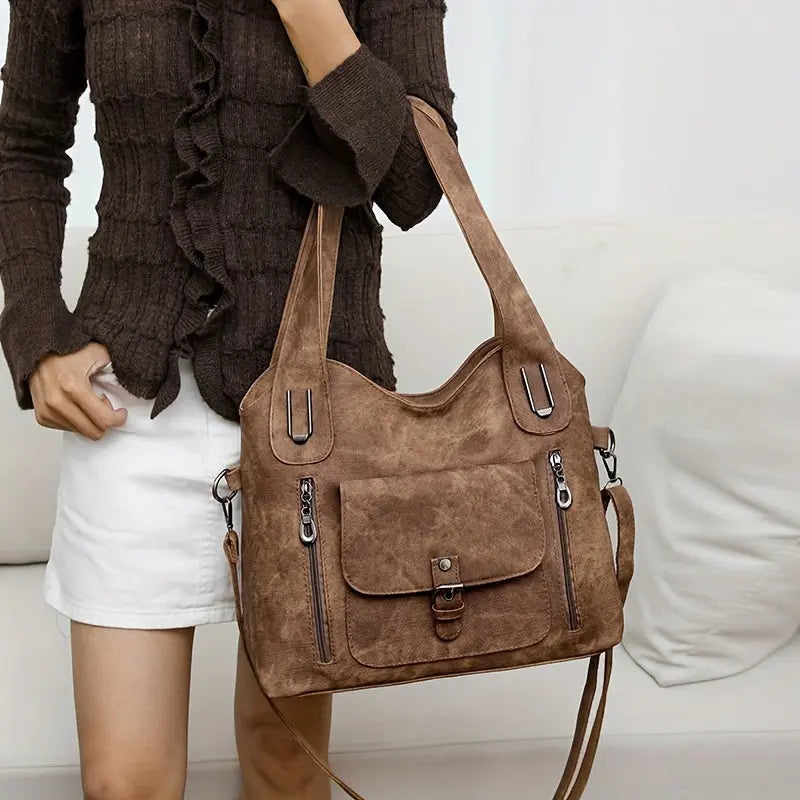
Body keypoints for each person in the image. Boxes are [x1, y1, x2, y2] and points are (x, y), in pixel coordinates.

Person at [0, 0, 457, 797]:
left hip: (316, 414)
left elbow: (416, 183)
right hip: (131, 405)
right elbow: (25, 142)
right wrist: (37, 330)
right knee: (124, 784)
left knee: (286, 764)